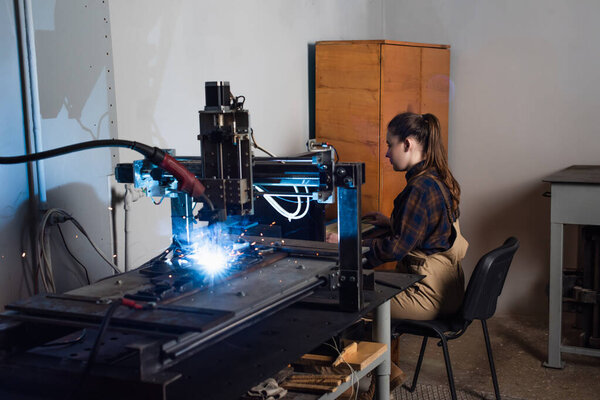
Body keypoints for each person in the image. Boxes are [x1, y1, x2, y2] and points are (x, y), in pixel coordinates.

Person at [326, 112, 468, 393]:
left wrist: (348, 245)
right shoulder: (437, 178)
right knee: (363, 295)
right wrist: (390, 224)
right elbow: (427, 233)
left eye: (390, 145)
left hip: (428, 295)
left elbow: (397, 248)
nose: (387, 154)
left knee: (350, 303)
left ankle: (361, 385)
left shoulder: (420, 187)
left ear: (408, 143)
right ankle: (386, 373)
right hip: (448, 287)